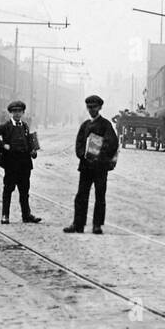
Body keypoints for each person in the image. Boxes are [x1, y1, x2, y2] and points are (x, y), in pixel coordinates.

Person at [64, 95, 118, 235]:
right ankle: (78, 224)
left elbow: (112, 143)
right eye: (89, 108)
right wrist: (83, 155)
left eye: (94, 107)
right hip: (86, 167)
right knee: (81, 195)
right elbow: (79, 144)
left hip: (100, 167)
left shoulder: (106, 125)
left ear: (100, 108)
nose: (91, 110)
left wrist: (99, 155)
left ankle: (97, 225)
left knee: (100, 196)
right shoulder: (85, 125)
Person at [0, 100, 42, 224]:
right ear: (11, 113)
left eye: (19, 111)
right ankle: (5, 215)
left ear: (23, 112)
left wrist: (33, 152)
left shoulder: (25, 126)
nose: (17, 114)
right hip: (11, 164)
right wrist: (3, 146)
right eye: (14, 112)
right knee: (8, 189)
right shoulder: (5, 126)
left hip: (24, 164)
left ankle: (26, 215)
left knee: (24, 191)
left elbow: (29, 143)